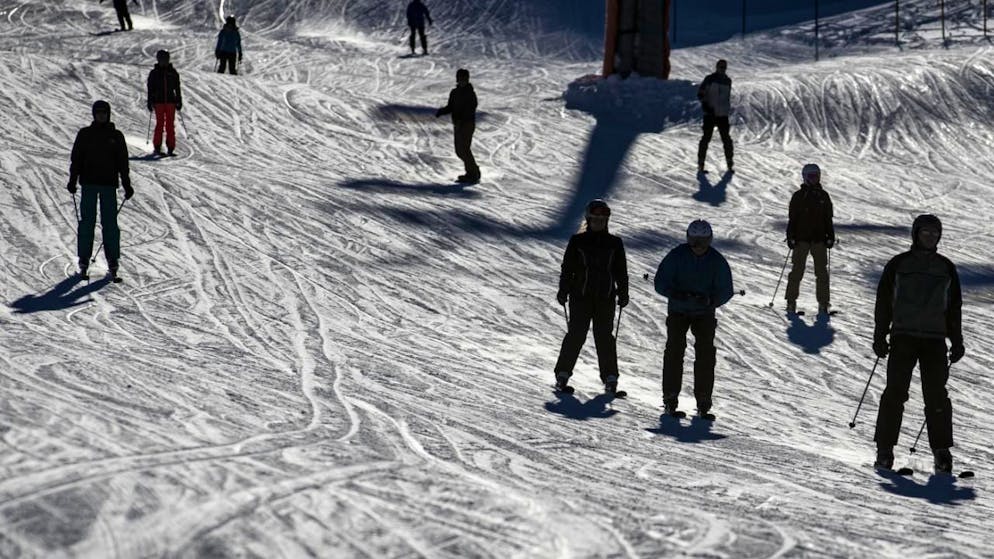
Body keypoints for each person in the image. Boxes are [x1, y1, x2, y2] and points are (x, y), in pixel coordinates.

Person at [872, 214, 964, 474]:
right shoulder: (899, 264)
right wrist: (880, 335)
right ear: (915, 234)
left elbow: (953, 308)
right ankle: (885, 450)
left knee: (936, 397)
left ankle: (942, 452)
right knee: (895, 393)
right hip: (903, 337)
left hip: (934, 340)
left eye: (935, 233)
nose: (930, 237)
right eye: (925, 232)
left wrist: (956, 341)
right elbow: (883, 302)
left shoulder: (945, 267)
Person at [654, 220, 734, 418]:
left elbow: (726, 289)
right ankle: (670, 398)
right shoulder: (678, 256)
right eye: (694, 241)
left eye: (703, 242)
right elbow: (660, 281)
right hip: (679, 312)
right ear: (688, 239)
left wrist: (710, 300)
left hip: (703, 314)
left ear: (709, 241)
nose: (698, 247)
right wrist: (675, 294)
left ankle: (703, 400)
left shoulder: (716, 261)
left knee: (705, 354)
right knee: (674, 351)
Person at [554, 200, 629, 395]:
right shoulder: (578, 241)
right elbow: (567, 268)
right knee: (576, 335)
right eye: (595, 219)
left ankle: (610, 378)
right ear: (588, 219)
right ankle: (562, 374)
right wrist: (564, 289)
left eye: (603, 219)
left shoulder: (614, 243)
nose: (599, 222)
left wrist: (623, 292)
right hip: (581, 296)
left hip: (605, 297)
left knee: (604, 337)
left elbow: (621, 271)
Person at [67, 100, 134, 280]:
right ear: (94, 114)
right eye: (98, 113)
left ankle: (113, 259)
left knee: (110, 224)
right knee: (87, 222)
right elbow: (77, 159)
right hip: (89, 183)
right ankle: (84, 258)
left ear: (108, 114)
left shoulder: (116, 136)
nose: (101, 115)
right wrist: (73, 180)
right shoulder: (85, 134)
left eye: (104, 113)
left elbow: (123, 163)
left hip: (108, 185)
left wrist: (126, 184)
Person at [784, 163, 835, 315]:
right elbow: (792, 219)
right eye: (811, 176)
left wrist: (830, 237)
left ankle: (823, 303)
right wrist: (790, 237)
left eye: (816, 176)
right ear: (805, 177)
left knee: (822, 273)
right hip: (801, 240)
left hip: (819, 239)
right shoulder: (799, 196)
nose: (814, 179)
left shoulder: (823, 196)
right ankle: (791, 301)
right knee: (797, 271)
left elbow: (828, 218)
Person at [435, 68, 479, 183]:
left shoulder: (470, 93)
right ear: (457, 79)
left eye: (464, 79)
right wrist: (442, 111)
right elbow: (451, 106)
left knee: (464, 148)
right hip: (458, 124)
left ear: (468, 79)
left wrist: (462, 118)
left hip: (467, 123)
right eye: (460, 79)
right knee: (459, 151)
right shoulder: (454, 92)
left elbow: (472, 107)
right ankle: (473, 170)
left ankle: (472, 173)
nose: (462, 81)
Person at [696, 59, 734, 173]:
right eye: (720, 67)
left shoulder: (728, 81)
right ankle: (701, 164)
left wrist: (727, 109)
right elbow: (700, 93)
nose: (722, 69)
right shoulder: (710, 79)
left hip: (722, 115)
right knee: (706, 138)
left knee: (726, 139)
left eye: (724, 67)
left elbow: (726, 97)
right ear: (716, 67)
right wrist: (705, 106)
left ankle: (730, 164)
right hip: (710, 114)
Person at [146, 50, 183, 156]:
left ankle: (170, 147)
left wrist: (179, 100)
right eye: (162, 59)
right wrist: (150, 101)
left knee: (170, 125)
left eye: (165, 59)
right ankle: (157, 147)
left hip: (171, 101)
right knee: (160, 124)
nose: (164, 62)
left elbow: (177, 87)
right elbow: (150, 88)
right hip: (159, 102)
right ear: (158, 60)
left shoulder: (173, 72)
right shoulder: (154, 73)